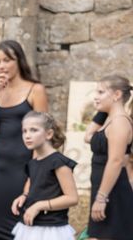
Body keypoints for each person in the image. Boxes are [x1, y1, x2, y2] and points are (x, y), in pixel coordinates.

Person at [0, 40, 48, 240]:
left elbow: (43, 136)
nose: (1, 66)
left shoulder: (35, 90)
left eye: (7, 60)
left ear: (18, 60)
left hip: (22, 170)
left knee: (21, 227)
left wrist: (36, 174)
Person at [10, 111, 77, 240]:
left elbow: (72, 198)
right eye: (24, 131)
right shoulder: (33, 163)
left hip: (52, 230)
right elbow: (32, 185)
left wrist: (39, 205)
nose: (27, 136)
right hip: (31, 227)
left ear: (49, 134)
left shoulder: (58, 162)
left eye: (33, 130)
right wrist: (24, 196)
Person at [86, 75, 133, 239]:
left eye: (100, 92)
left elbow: (116, 161)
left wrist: (101, 198)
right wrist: (102, 110)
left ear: (117, 95)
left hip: (112, 194)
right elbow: (88, 137)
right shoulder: (110, 120)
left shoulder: (120, 122)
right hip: (103, 191)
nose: (95, 96)